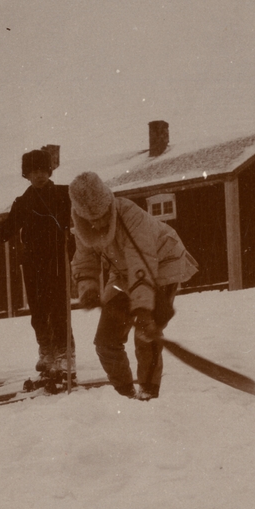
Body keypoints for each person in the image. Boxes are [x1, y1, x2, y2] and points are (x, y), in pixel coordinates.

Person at [69, 171, 198, 399]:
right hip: (122, 274)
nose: (97, 223)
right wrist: (87, 288)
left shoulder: (130, 215)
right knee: (105, 341)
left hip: (161, 265)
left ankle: (148, 393)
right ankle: (126, 396)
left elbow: (142, 262)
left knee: (145, 336)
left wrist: (143, 310)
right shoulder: (82, 225)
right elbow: (84, 260)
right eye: (92, 220)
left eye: (101, 216)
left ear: (108, 204)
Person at [0, 148, 75, 381]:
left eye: (43, 170)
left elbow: (84, 211)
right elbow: (5, 231)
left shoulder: (64, 194)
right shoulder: (22, 202)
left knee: (59, 308)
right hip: (32, 262)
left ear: (50, 171)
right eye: (33, 171)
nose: (39, 175)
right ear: (26, 175)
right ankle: (47, 351)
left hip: (57, 259)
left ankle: (65, 353)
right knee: (38, 309)